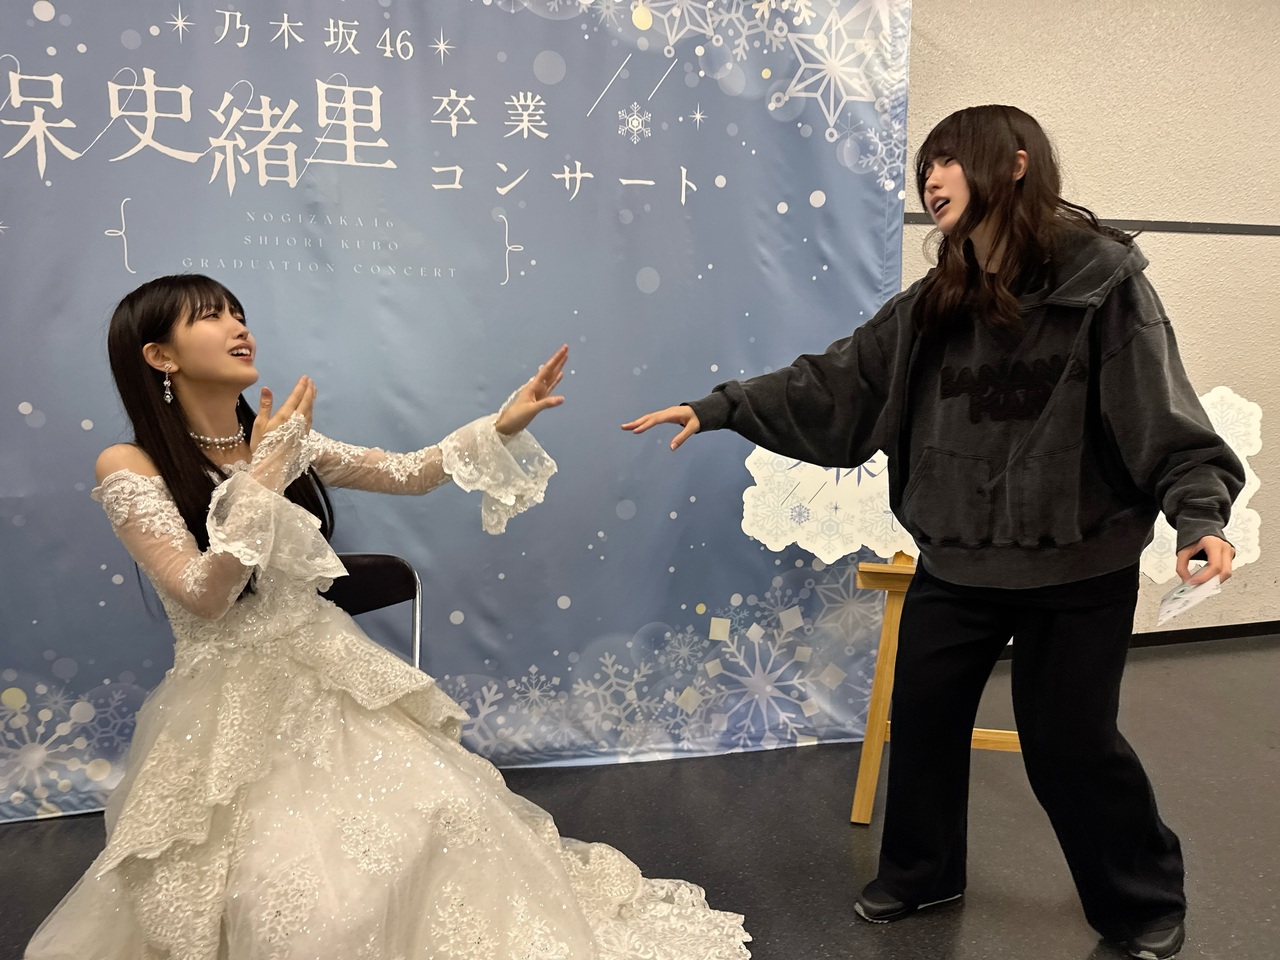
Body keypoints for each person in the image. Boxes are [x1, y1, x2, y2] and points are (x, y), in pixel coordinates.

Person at [622, 104, 1244, 960]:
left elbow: (1163, 419)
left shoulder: (1104, 286)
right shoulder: (933, 305)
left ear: (1015, 164)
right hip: (957, 560)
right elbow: (835, 385)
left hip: (1078, 565)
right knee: (922, 719)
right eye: (925, 167)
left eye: (949, 159)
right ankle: (924, 872)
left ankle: (1141, 900)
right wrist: (720, 406)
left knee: (1070, 744)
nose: (931, 178)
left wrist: (1199, 516)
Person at [27, 274, 751, 960]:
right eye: (211, 316)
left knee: (446, 816)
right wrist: (268, 471)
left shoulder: (284, 438)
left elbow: (411, 471)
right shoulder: (129, 464)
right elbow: (203, 593)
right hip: (228, 705)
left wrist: (499, 426)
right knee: (288, 893)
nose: (238, 326)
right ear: (160, 356)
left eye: (237, 312)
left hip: (330, 675)